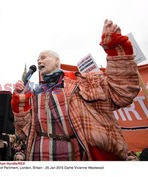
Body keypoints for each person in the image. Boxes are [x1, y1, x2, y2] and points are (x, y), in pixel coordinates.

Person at [11, 19, 140, 161]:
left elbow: (122, 93)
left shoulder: (83, 81)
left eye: (43, 58)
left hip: (77, 156)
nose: (39, 61)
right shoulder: (36, 93)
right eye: (37, 60)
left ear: (56, 60)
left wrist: (116, 50)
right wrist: (20, 102)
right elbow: (23, 131)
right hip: (41, 157)